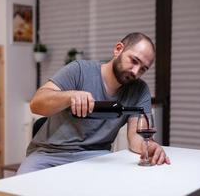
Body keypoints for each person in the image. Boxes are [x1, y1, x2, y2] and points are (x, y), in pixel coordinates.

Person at [17, 32, 170, 174]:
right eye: (134, 61)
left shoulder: (139, 90)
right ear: (118, 50)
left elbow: (136, 136)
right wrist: (70, 96)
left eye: (143, 69)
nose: (135, 72)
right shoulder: (79, 70)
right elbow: (36, 104)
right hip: (48, 154)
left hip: (97, 157)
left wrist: (148, 146)